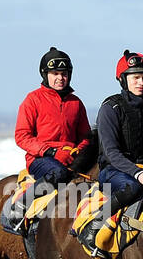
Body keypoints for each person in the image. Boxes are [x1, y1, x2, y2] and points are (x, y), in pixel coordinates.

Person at [77, 50, 143, 255]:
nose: (141, 82)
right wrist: (138, 174)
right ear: (123, 79)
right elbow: (111, 154)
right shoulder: (110, 109)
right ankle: (93, 227)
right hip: (112, 172)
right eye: (136, 77)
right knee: (134, 187)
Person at [6, 46, 92, 230]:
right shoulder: (32, 100)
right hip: (41, 159)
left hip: (70, 157)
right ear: (45, 74)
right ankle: (21, 206)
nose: (60, 78)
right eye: (55, 73)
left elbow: (85, 136)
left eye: (64, 73)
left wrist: (79, 149)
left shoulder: (76, 103)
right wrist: (51, 151)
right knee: (59, 174)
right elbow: (22, 136)